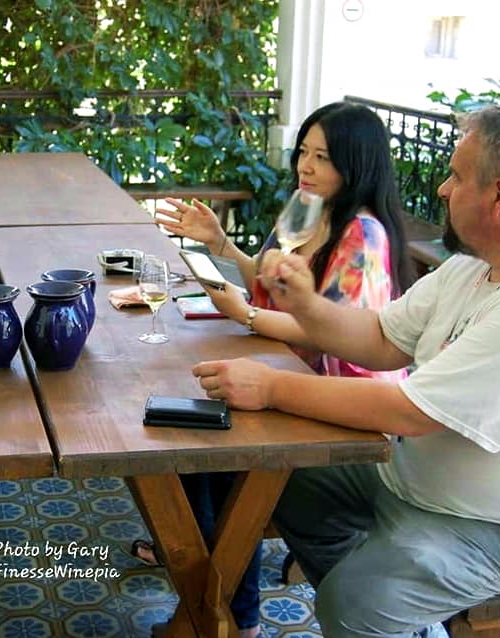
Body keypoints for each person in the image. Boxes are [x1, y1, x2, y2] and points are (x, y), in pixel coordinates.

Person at [193, 102, 500, 638]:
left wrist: (271, 387)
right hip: (410, 475)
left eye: (456, 176)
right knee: (272, 477)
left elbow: (408, 412)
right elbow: (382, 337)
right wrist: (306, 305)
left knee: (356, 602)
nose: (442, 189)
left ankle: (378, 612)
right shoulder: (476, 263)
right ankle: (398, 620)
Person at [138, 102, 415, 638]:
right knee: (197, 434)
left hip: (344, 399)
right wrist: (220, 245)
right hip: (287, 374)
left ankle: (227, 614)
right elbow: (271, 288)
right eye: (304, 152)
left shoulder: (363, 235)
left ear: (356, 163)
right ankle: (210, 599)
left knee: (220, 452)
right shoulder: (304, 208)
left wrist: (245, 314)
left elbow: (327, 330)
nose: (305, 166)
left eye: (323, 157)